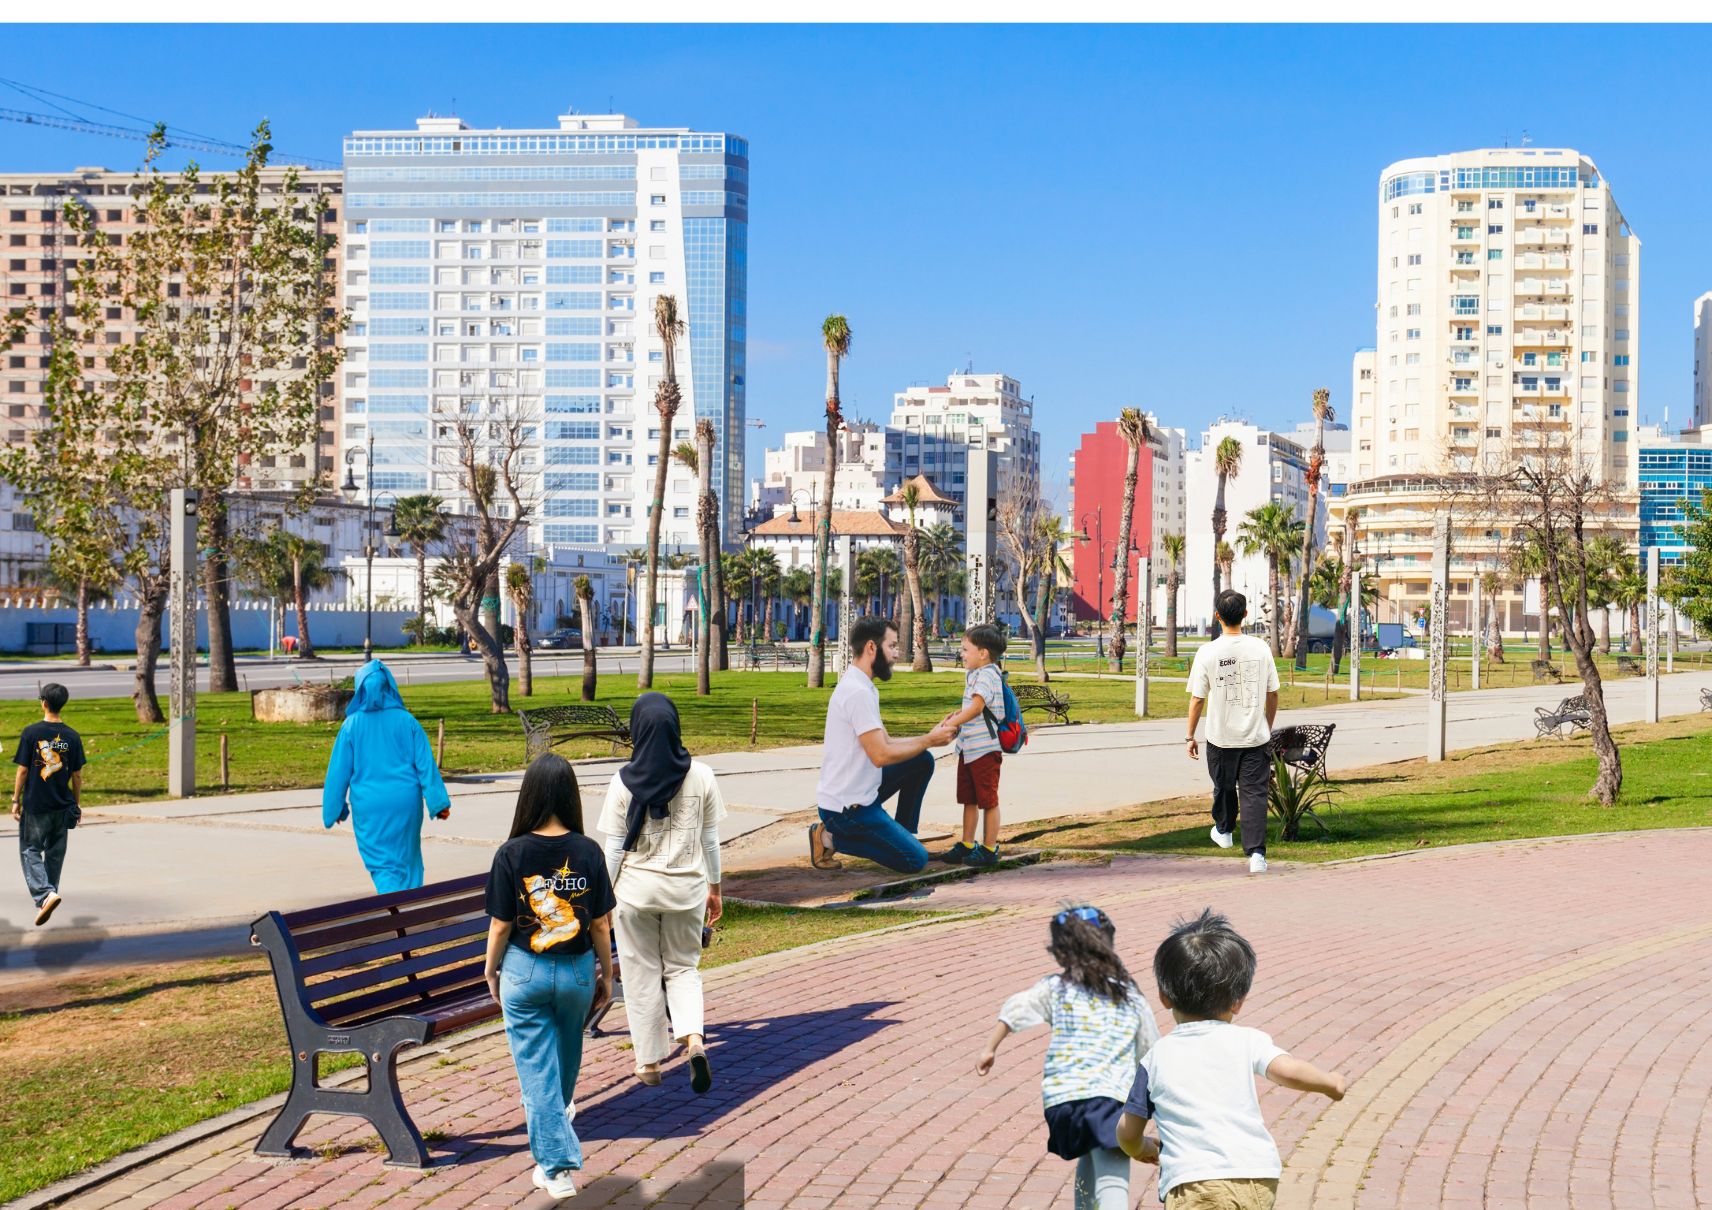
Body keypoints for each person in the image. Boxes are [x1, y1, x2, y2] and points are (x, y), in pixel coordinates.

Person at [1116, 910, 1347, 1209]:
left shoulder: (1155, 1058)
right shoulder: (1248, 1040)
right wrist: (1331, 1083)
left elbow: (1128, 1130)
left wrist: (1140, 1147)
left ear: (1164, 996)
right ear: (1238, 1001)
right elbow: (1288, 1071)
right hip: (1257, 1176)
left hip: (1195, 1183)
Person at [484, 753, 615, 1202]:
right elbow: (601, 923)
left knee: (539, 1069)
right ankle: (554, 1132)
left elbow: (501, 925)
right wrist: (608, 974)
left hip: (525, 971)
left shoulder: (511, 852)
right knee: (565, 1059)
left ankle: (556, 1168)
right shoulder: (588, 851)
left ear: (529, 796)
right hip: (578, 971)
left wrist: (489, 969)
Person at [977, 905, 1159, 1209]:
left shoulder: (1056, 987)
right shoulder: (1129, 994)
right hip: (1109, 1097)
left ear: (1060, 951)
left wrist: (990, 1047)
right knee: (1112, 1174)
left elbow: (1017, 1008)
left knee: (1090, 1157)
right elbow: (1151, 1048)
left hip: (1063, 1102)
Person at [597, 692, 725, 1093]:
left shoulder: (623, 780)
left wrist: (601, 899)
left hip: (634, 895)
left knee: (641, 973)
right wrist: (715, 888)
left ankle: (649, 1062)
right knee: (683, 968)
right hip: (686, 890)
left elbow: (615, 848)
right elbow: (710, 840)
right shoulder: (701, 774)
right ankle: (694, 1040)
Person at [808, 615, 957, 874]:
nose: (896, 654)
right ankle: (828, 838)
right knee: (914, 860)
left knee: (921, 761)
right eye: (892, 646)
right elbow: (880, 755)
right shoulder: (857, 692)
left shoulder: (864, 686)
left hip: (863, 792)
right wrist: (930, 740)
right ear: (871, 648)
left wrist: (929, 738)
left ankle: (905, 833)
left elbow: (886, 742)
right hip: (846, 810)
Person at [322, 659, 452, 893]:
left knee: (382, 865)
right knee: (407, 857)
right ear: (388, 686)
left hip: (370, 807)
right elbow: (426, 766)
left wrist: (334, 809)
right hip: (406, 803)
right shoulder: (407, 722)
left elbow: (338, 773)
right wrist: (438, 802)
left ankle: (396, 912)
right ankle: (408, 906)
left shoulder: (351, 726)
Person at [1185, 590, 1280, 875]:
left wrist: (1190, 735)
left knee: (1223, 787)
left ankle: (1225, 829)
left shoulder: (1207, 652)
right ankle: (1256, 854)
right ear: (1246, 614)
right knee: (1254, 795)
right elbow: (1273, 692)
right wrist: (1267, 723)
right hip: (1255, 737)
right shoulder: (1260, 648)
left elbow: (1198, 699)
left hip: (1220, 738)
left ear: (1217, 616)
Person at [12, 682, 84, 926]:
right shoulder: (72, 737)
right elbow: (76, 775)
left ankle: (45, 895)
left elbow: (22, 771)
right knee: (54, 854)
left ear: (43, 703)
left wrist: (15, 800)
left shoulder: (31, 733)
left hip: (36, 805)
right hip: (62, 806)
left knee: (29, 849)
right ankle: (49, 895)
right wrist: (76, 805)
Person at [939, 623, 1008, 868]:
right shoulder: (975, 675)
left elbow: (978, 707)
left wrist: (952, 724)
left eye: (966, 649)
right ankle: (967, 843)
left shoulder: (989, 674)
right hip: (969, 749)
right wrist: (957, 715)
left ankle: (989, 848)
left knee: (988, 800)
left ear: (983, 653)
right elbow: (974, 706)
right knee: (969, 798)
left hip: (985, 750)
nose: (962, 653)